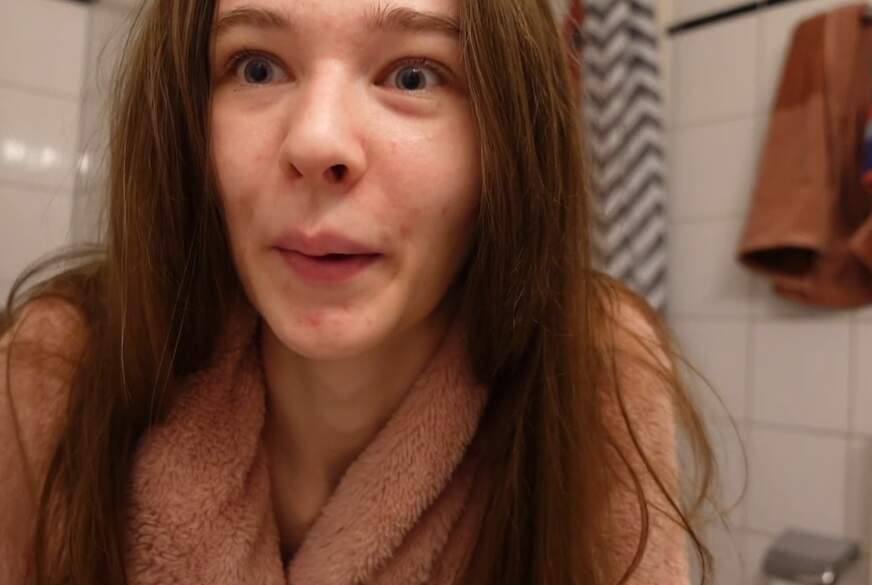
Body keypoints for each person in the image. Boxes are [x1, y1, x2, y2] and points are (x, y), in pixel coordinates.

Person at [0, 0, 719, 583]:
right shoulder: (56, 371)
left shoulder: (596, 367)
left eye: (414, 76)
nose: (317, 143)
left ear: (508, 143)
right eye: (257, 67)